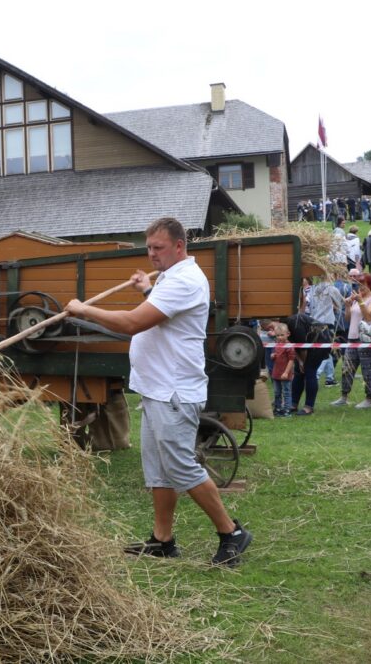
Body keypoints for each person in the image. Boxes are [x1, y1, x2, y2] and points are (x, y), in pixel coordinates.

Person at [64, 217, 252, 566]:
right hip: (156, 389)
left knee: (181, 468)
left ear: (180, 246)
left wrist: (82, 309)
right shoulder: (171, 276)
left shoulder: (185, 279)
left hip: (175, 392)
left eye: (158, 248)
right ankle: (163, 541)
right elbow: (168, 314)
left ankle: (232, 533)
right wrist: (147, 289)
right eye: (148, 248)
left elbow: (135, 322)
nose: (151, 254)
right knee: (158, 471)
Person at [331, 273, 371, 409]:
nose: (359, 287)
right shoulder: (356, 299)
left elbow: (369, 317)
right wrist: (347, 306)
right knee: (347, 368)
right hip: (352, 338)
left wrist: (360, 301)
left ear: (369, 284)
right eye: (358, 284)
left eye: (362, 284)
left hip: (366, 339)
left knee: (367, 368)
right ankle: (344, 397)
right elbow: (348, 319)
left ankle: (369, 399)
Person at [286, 311, 331, 416]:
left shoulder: (294, 324)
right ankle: (293, 403)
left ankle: (308, 407)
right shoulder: (284, 328)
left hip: (320, 342)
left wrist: (303, 363)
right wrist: (300, 362)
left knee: (309, 371)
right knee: (298, 372)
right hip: (307, 344)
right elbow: (295, 345)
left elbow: (303, 347)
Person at [270, 323, 295, 417]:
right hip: (276, 372)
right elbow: (274, 355)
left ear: (287, 334)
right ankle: (278, 408)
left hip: (285, 373)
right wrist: (272, 356)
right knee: (277, 392)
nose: (279, 337)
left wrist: (286, 372)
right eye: (277, 335)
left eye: (282, 335)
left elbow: (291, 360)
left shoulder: (289, 346)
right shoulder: (276, 345)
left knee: (286, 392)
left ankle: (287, 409)